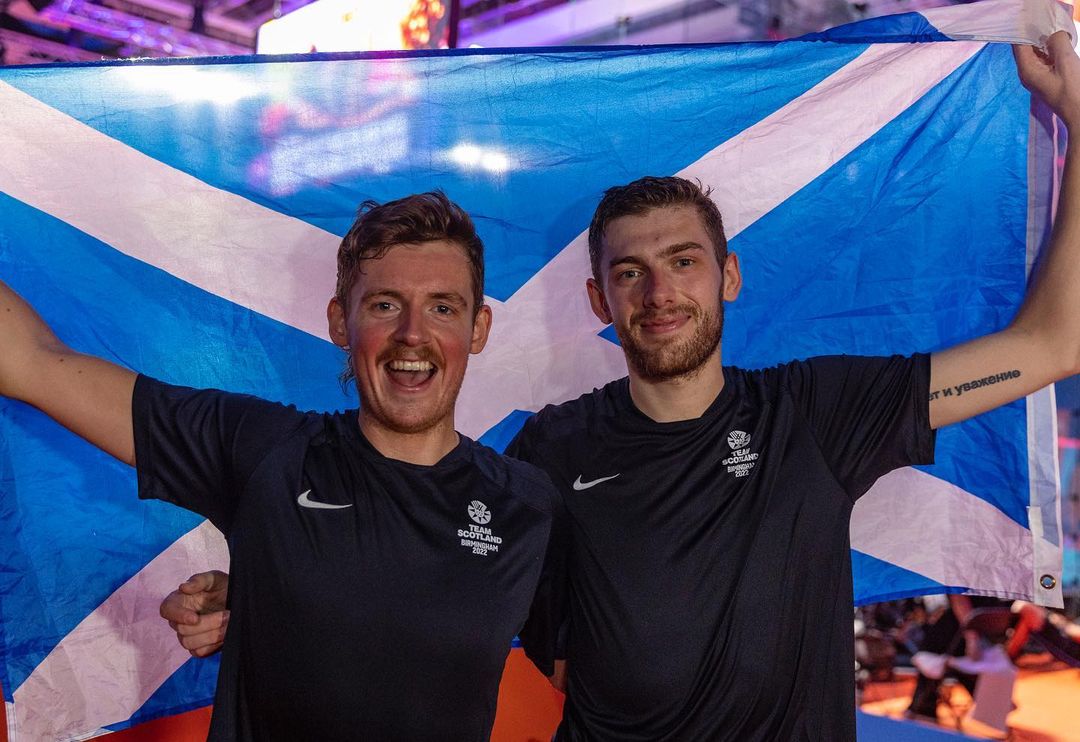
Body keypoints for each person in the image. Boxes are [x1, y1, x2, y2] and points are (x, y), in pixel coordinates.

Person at [162, 35, 1080, 741]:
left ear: (728, 276)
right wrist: (263, 593)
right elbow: (416, 571)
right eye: (630, 272)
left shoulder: (817, 413)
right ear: (601, 299)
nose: (659, 292)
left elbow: (1053, 342)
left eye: (683, 261)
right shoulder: (547, 453)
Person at [0, 192, 566, 741]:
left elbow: (595, 670)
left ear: (478, 328)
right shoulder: (264, 450)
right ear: (340, 322)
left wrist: (260, 602)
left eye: (442, 307)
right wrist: (264, 603)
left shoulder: (526, 504)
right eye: (385, 305)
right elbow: (33, 364)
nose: (413, 333)